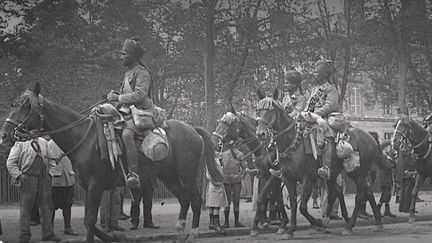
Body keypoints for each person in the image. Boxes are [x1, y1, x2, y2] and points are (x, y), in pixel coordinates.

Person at [107, 37, 154, 189]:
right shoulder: (128, 73)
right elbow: (123, 97)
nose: (121, 57)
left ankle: (134, 174)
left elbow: (140, 94)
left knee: (127, 134)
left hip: (141, 112)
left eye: (124, 54)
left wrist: (119, 97)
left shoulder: (142, 73)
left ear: (132, 56)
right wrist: (113, 98)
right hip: (127, 113)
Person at [6, 136, 61, 243]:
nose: (34, 130)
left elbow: (51, 160)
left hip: (44, 179)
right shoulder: (21, 143)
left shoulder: (44, 142)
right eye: (32, 128)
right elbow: (10, 163)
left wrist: (51, 173)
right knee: (26, 209)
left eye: (36, 128)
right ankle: (24, 236)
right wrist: (19, 176)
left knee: (46, 208)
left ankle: (48, 234)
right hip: (28, 178)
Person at [304, 59, 342, 180]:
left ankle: (326, 167)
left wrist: (315, 114)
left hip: (325, 118)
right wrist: (305, 113)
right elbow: (309, 103)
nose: (314, 75)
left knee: (324, 137)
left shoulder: (331, 89)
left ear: (323, 75)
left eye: (316, 72)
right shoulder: (315, 89)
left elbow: (331, 105)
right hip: (311, 117)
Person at [269, 68, 307, 178]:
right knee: (276, 138)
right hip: (286, 126)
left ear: (295, 85)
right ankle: (279, 165)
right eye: (285, 82)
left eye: (288, 83)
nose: (285, 85)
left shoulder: (301, 98)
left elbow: (297, 112)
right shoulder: (285, 98)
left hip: (297, 123)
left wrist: (285, 116)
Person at [48, 137, 79, 235]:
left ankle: (67, 227)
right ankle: (50, 229)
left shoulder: (68, 141)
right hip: (56, 180)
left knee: (68, 205)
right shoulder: (48, 144)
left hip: (68, 179)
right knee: (52, 206)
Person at [219, 144, 246, 228]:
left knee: (235, 202)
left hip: (234, 179)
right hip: (228, 179)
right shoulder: (223, 154)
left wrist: (241, 176)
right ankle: (228, 222)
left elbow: (244, 167)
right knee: (229, 202)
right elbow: (220, 166)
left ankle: (234, 222)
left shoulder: (238, 154)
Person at [206, 156, 228, 234]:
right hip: (216, 185)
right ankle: (216, 225)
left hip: (213, 185)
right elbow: (211, 174)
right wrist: (216, 182)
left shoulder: (211, 163)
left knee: (212, 205)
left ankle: (211, 223)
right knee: (216, 206)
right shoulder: (214, 163)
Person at [377, 141, 397, 217]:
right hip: (384, 178)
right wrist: (393, 162)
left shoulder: (387, 156)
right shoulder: (382, 156)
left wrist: (393, 162)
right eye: (389, 147)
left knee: (388, 194)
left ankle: (387, 210)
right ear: (385, 148)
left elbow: (393, 165)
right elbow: (389, 165)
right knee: (385, 194)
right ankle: (378, 209)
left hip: (387, 177)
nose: (390, 148)